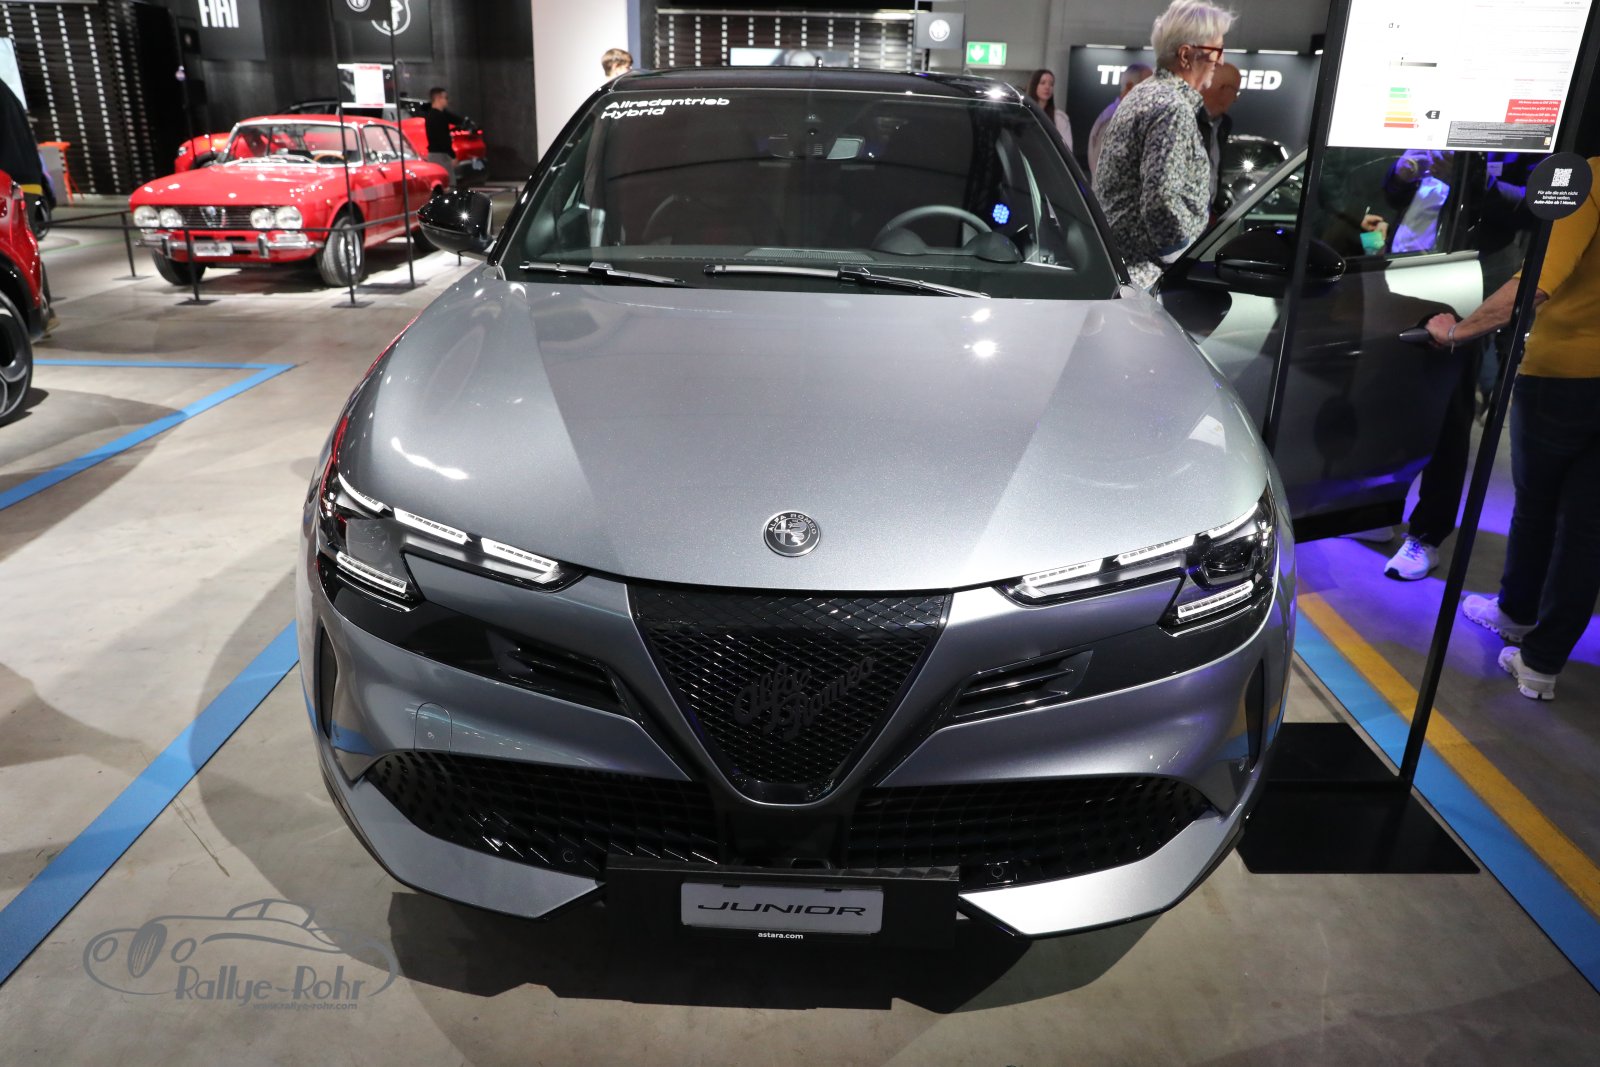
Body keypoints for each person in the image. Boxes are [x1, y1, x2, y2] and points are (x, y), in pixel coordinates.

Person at [1432, 156, 1600, 701]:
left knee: (1537, 503)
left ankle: (1515, 612)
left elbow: (1538, 281)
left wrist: (1458, 330)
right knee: (1589, 531)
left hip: (1565, 377)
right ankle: (1541, 665)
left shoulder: (1591, 178)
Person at [1094, 1, 1236, 288]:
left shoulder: (1145, 93)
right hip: (1146, 280)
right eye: (1217, 51)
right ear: (1186, 55)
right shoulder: (1171, 107)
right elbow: (1161, 198)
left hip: (1123, 270)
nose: (1220, 62)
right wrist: (1181, 261)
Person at [1088, 64, 1153, 183]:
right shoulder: (1114, 121)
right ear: (1130, 87)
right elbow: (1104, 174)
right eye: (1149, 86)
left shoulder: (1127, 117)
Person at [1197, 60, 1240, 207]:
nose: (1236, 99)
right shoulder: (1186, 118)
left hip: (1207, 212)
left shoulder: (1224, 125)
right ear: (1223, 89)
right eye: (1235, 92)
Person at [423, 86, 465, 188]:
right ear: (438, 98)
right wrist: (452, 155)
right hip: (441, 155)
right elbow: (442, 138)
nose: (447, 100)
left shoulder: (434, 114)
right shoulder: (437, 117)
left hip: (435, 154)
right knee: (448, 184)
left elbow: (456, 119)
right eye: (445, 98)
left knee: (442, 185)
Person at [1025, 69, 1073, 153]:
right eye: (1043, 83)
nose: (1047, 87)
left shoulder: (1059, 118)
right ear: (1034, 86)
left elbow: (1067, 149)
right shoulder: (1024, 113)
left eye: (1051, 84)